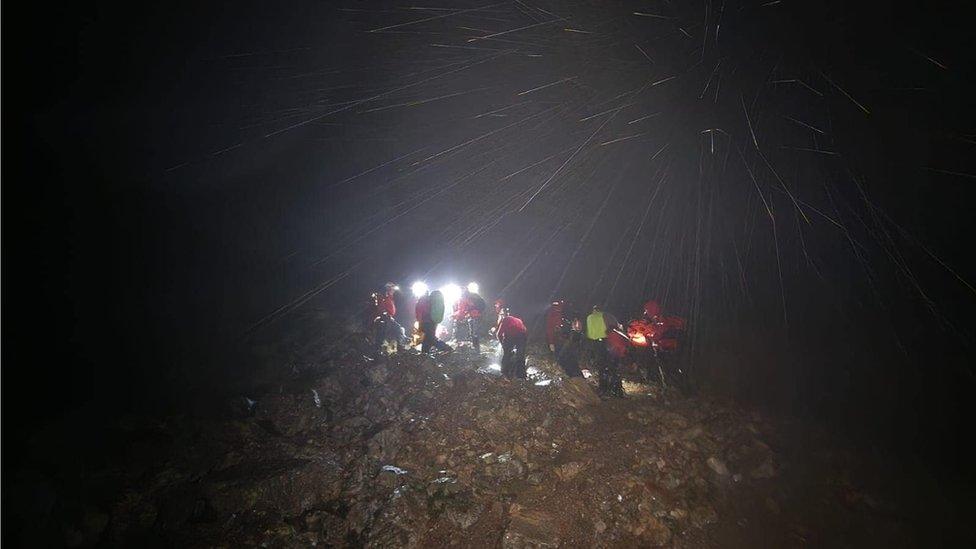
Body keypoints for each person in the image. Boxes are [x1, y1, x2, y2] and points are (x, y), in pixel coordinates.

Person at [416, 288, 452, 356]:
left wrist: (420, 324)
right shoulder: (430, 300)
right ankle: (424, 353)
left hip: (426, 322)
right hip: (433, 321)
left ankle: (447, 348)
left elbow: (420, 312)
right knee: (428, 338)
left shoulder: (423, 300)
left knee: (431, 338)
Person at [496, 308, 528, 379]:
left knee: (507, 355)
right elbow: (525, 331)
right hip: (522, 335)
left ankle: (504, 372)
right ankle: (521, 375)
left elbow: (498, 334)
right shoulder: (518, 320)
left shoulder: (505, 319)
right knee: (520, 355)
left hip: (512, 335)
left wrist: (503, 344)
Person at [453, 288, 487, 352]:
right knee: (474, 332)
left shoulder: (468, 298)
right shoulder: (474, 296)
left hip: (475, 315)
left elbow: (462, 311)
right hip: (477, 315)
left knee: (474, 333)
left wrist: (455, 316)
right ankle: (475, 348)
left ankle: (476, 350)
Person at [599, 328, 629, 397]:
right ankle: (615, 390)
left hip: (612, 354)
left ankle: (606, 390)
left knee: (608, 372)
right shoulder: (620, 335)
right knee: (615, 372)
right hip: (616, 354)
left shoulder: (610, 337)